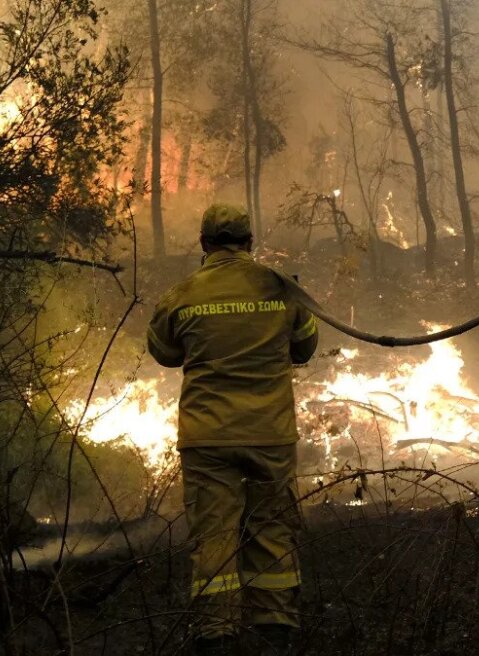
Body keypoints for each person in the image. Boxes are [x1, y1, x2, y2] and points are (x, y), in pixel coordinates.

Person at [147, 204, 319, 655]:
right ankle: (275, 633)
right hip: (270, 434)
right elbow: (305, 348)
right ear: (249, 242)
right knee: (271, 530)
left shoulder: (183, 294)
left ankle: (215, 638)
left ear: (203, 244)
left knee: (215, 539)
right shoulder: (280, 289)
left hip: (209, 438)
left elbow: (163, 352)